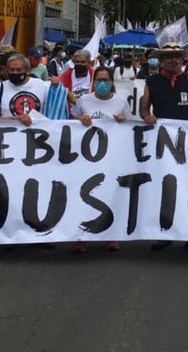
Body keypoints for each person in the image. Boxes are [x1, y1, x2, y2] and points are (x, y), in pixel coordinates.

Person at [140, 42, 188, 253]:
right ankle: (163, 233)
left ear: (183, 59)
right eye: (168, 56)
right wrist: (147, 117)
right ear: (161, 60)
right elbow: (144, 108)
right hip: (162, 144)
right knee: (164, 188)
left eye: (177, 56)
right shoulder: (152, 81)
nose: (173, 60)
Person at [71, 66, 128, 254]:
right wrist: (81, 119)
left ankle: (112, 235)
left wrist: (123, 120)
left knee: (111, 193)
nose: (102, 83)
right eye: (99, 80)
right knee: (85, 194)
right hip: (87, 156)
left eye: (106, 80)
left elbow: (129, 126)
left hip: (113, 156)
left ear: (112, 82)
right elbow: (71, 121)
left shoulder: (120, 102)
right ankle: (82, 236)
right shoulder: (84, 100)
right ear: (93, 81)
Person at [0, 53, 49, 125]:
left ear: (28, 71)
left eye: (19, 70)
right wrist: (14, 119)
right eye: (12, 70)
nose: (15, 72)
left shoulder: (42, 86)